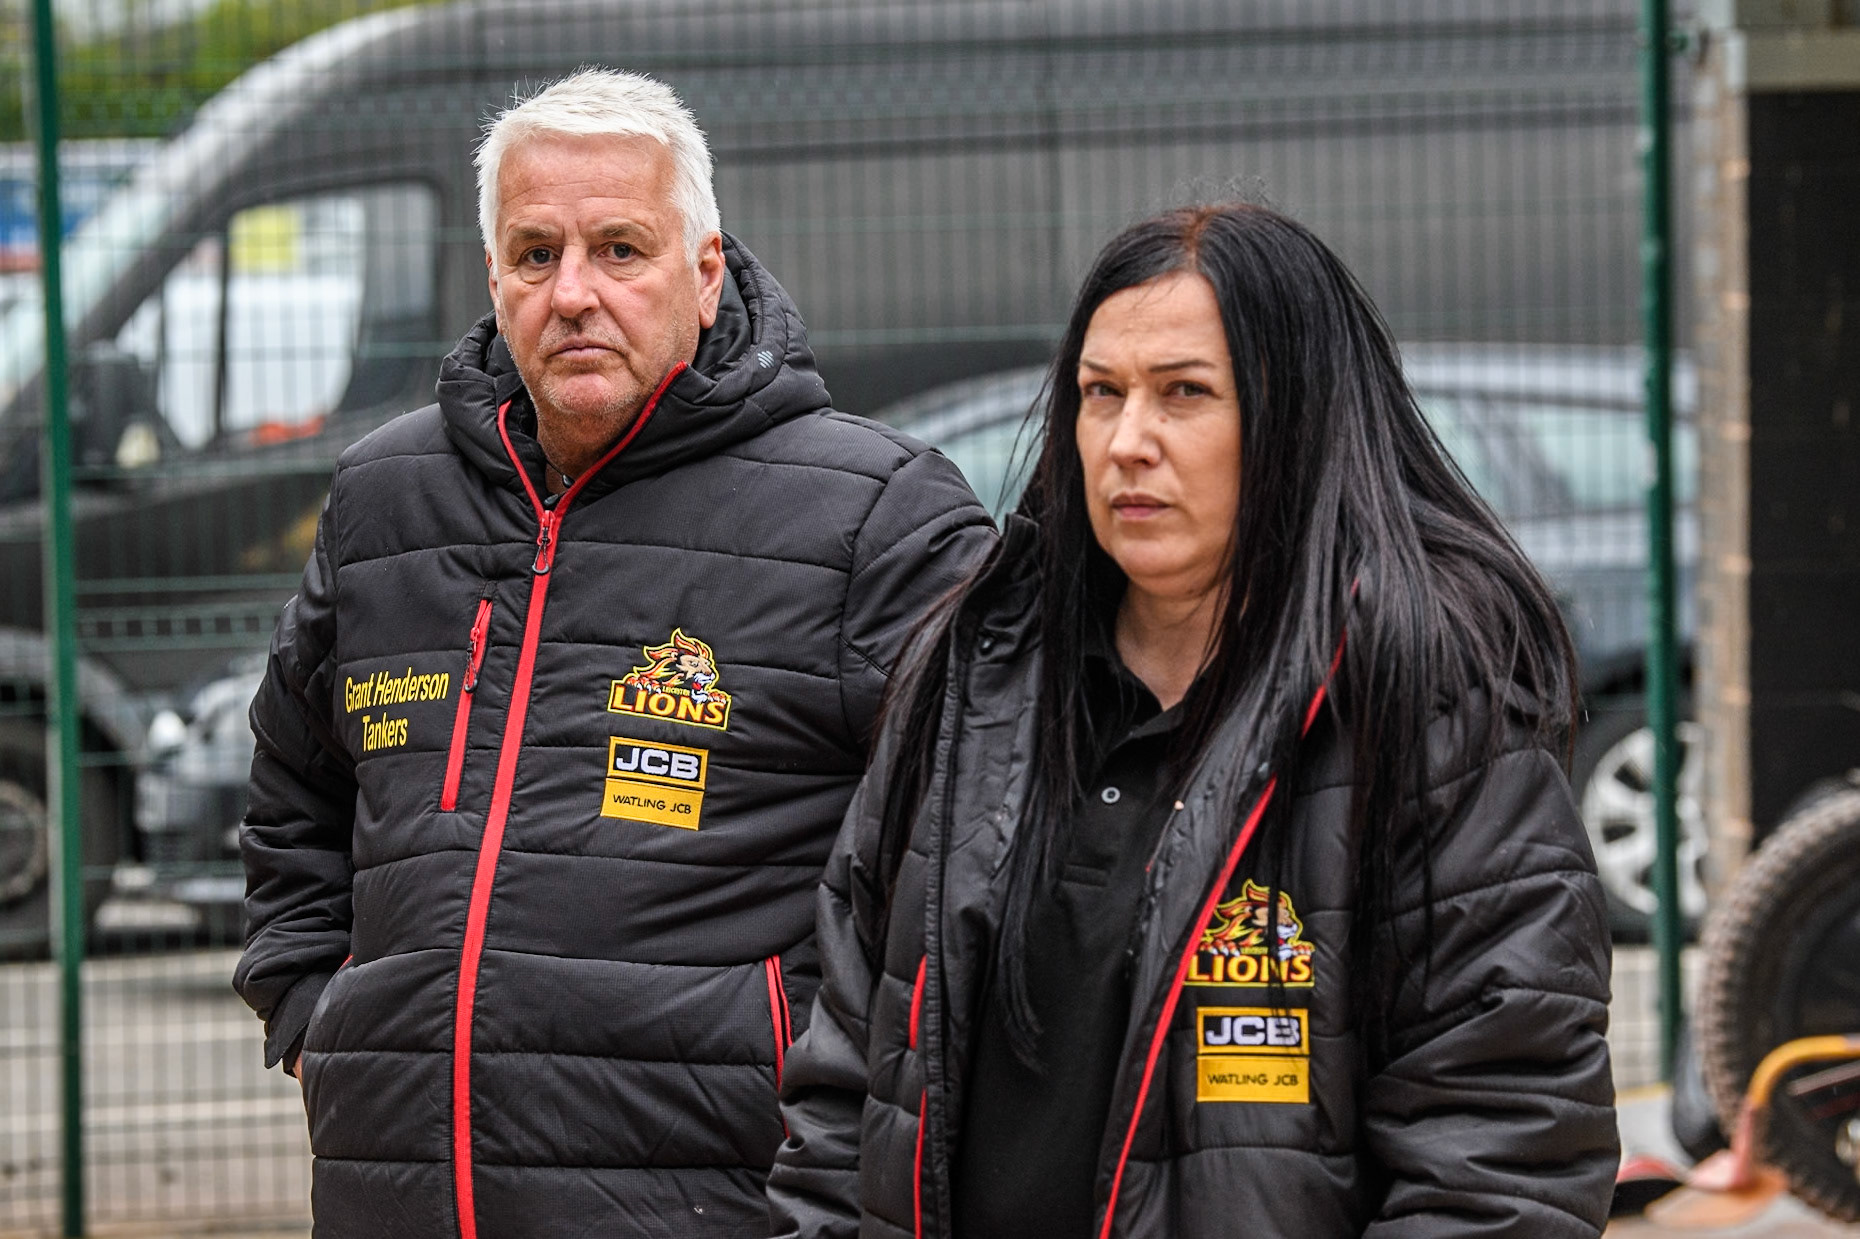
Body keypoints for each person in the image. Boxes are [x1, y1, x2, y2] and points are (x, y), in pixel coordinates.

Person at [231, 69, 992, 1237]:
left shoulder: (872, 516)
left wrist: (845, 1131)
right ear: (493, 275)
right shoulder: (386, 499)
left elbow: (969, 871)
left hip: (729, 1202)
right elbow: (293, 791)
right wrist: (318, 1020)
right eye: (536, 254)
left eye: (620, 249)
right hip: (399, 1194)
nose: (573, 292)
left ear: (704, 270)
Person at [767, 203, 1618, 1238]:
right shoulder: (971, 675)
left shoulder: (1426, 702)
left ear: (1296, 416)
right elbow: (847, 1081)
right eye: (1100, 394)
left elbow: (1502, 1152)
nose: (1129, 443)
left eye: (1185, 395)